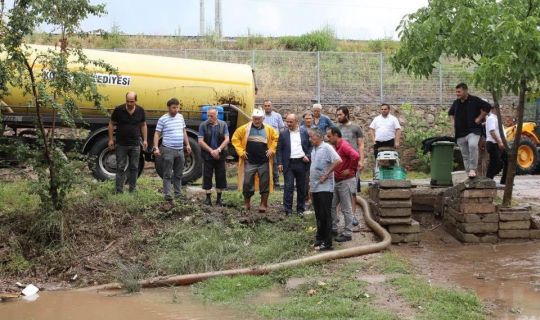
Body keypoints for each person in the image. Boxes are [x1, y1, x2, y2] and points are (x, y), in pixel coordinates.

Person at [231, 108, 279, 212]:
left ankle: (263, 204)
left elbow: (276, 138)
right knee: (247, 182)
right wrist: (240, 152)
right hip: (249, 161)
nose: (257, 121)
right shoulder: (244, 129)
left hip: (264, 161)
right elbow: (235, 139)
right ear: (252, 118)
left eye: (259, 119)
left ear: (263, 119)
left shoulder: (269, 129)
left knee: (265, 182)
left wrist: (272, 149)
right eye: (255, 119)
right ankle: (247, 204)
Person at [309, 128, 342, 251]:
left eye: (312, 137)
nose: (310, 139)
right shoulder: (314, 150)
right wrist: (310, 186)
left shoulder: (327, 147)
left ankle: (328, 243)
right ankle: (319, 238)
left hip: (325, 187)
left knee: (325, 215)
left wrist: (327, 173)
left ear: (319, 137)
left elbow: (338, 160)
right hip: (315, 187)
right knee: (318, 215)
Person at [448, 83, 491, 178]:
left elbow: (488, 106)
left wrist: (479, 118)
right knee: (465, 155)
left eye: (459, 92)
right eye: (456, 92)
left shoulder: (475, 100)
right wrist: (454, 123)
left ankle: (472, 168)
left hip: (473, 130)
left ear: (465, 91)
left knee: (472, 145)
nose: (457, 94)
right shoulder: (456, 103)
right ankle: (469, 175)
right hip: (460, 133)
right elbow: (451, 113)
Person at [152, 98, 191, 201]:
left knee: (178, 173)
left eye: (178, 107)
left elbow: (184, 131)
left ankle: (178, 194)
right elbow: (157, 133)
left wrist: (187, 144)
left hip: (180, 150)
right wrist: (155, 147)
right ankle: (167, 195)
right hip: (168, 149)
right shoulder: (163, 119)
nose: (176, 110)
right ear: (169, 107)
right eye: (174, 107)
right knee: (167, 174)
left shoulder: (180, 117)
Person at [108, 91, 147, 193]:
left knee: (134, 167)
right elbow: (111, 124)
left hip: (135, 144)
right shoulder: (119, 109)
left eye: (132, 101)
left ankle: (132, 189)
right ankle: (119, 190)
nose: (129, 104)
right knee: (120, 167)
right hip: (121, 144)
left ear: (136, 101)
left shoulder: (140, 111)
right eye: (127, 101)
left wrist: (145, 140)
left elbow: (143, 125)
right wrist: (111, 139)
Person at [326, 127, 360, 242]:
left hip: (346, 181)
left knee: (346, 209)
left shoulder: (344, 145)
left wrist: (351, 169)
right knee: (331, 205)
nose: (328, 138)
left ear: (336, 135)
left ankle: (347, 233)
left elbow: (355, 156)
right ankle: (334, 228)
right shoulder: (336, 146)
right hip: (337, 180)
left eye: (330, 136)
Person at [276, 114, 312, 216]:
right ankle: (288, 210)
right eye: (287, 122)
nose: (288, 124)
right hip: (289, 164)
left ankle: (300, 209)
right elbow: (279, 150)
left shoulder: (304, 132)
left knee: (301, 187)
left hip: (302, 163)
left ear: (297, 121)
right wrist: (279, 163)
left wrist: (308, 156)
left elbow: (310, 147)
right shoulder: (283, 134)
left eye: (291, 122)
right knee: (288, 187)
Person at [336, 106, 364, 226]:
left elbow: (361, 145)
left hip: (353, 163)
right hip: (339, 164)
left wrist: (361, 161)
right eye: (337, 115)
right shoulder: (336, 128)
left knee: (352, 191)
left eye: (340, 115)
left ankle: (352, 216)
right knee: (336, 190)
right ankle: (336, 216)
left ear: (346, 115)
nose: (338, 117)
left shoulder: (356, 128)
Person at [198, 107, 230, 206]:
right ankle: (208, 198)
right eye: (208, 115)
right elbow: (200, 141)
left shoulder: (223, 124)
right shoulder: (203, 125)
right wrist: (211, 151)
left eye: (211, 116)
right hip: (208, 155)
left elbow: (227, 139)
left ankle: (219, 199)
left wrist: (218, 150)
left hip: (220, 155)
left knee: (220, 175)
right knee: (207, 176)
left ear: (216, 115)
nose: (209, 117)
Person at [262, 100, 284, 188]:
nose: (267, 107)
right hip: (263, 143)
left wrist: (281, 141)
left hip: (275, 143)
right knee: (264, 162)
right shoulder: (261, 116)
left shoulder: (277, 116)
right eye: (266, 105)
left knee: (275, 162)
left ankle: (276, 180)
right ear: (264, 107)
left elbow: (281, 128)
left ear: (272, 106)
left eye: (269, 105)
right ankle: (265, 181)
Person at [485, 110, 505, 180]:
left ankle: (504, 180)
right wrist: (499, 142)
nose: (500, 110)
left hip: (499, 144)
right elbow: (492, 131)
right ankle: (488, 179)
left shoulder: (496, 118)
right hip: (493, 143)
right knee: (496, 163)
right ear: (494, 109)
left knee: (507, 160)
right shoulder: (491, 118)